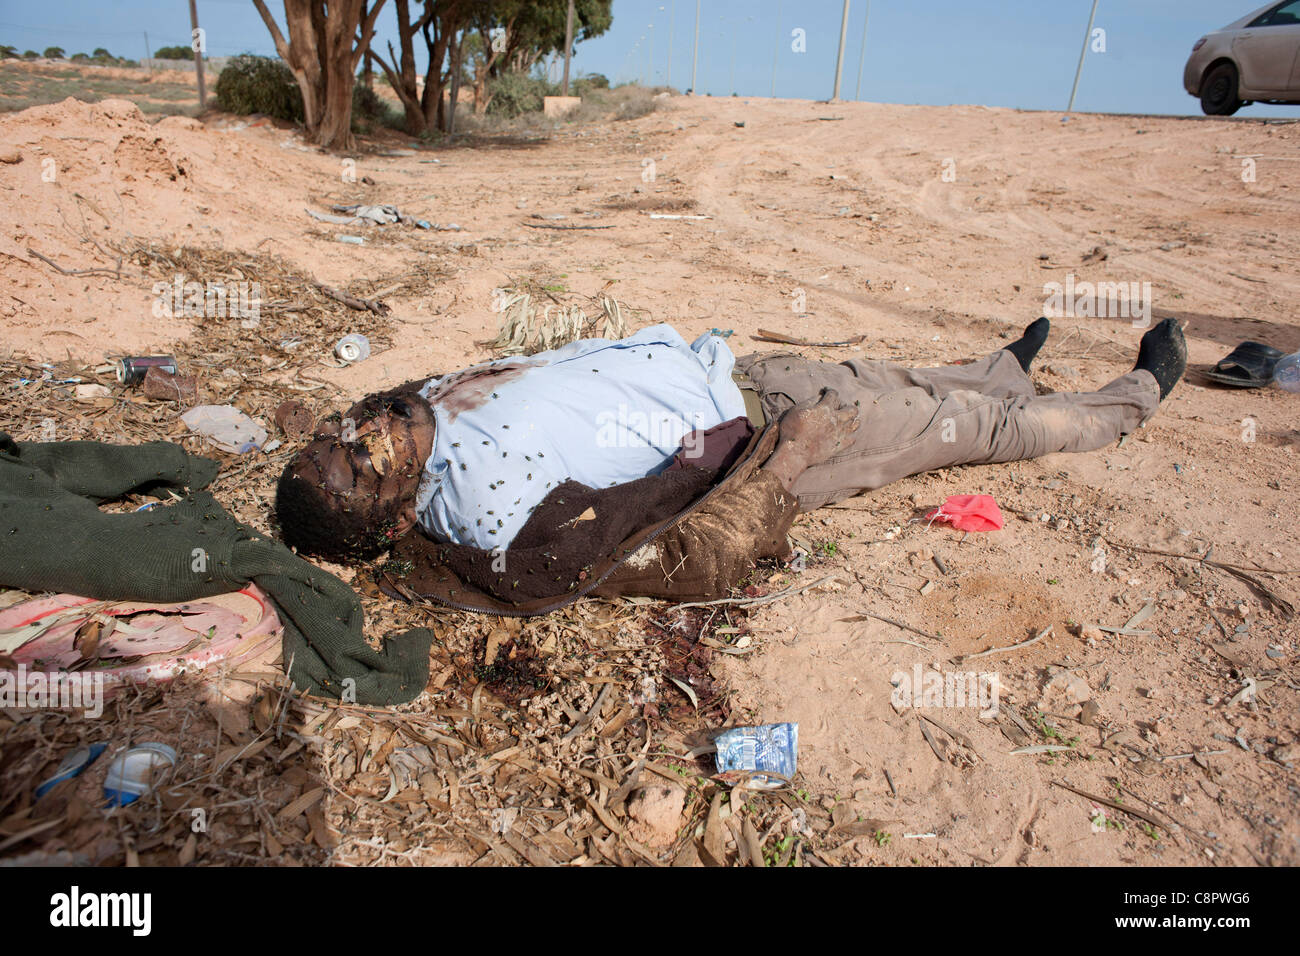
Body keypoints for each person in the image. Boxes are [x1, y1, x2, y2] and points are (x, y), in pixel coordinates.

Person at [276, 316, 1186, 611]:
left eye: (334, 439)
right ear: (393, 520)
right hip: (761, 439)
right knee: (957, 424)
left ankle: (1005, 366)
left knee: (890, 370)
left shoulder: (412, 405)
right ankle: (1130, 403)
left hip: (732, 373)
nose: (356, 441)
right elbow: (670, 555)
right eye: (353, 470)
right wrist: (783, 466)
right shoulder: (492, 518)